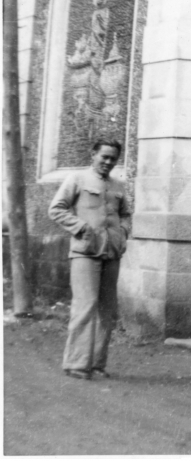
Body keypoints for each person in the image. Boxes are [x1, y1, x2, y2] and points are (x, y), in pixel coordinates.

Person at [48, 136, 131, 379]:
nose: (108, 162)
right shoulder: (77, 179)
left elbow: (126, 214)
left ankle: (96, 363)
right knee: (85, 306)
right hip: (85, 252)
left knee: (107, 309)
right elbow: (56, 209)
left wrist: (123, 232)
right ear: (92, 154)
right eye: (104, 156)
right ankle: (76, 364)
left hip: (112, 251)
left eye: (113, 159)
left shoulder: (118, 185)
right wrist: (81, 227)